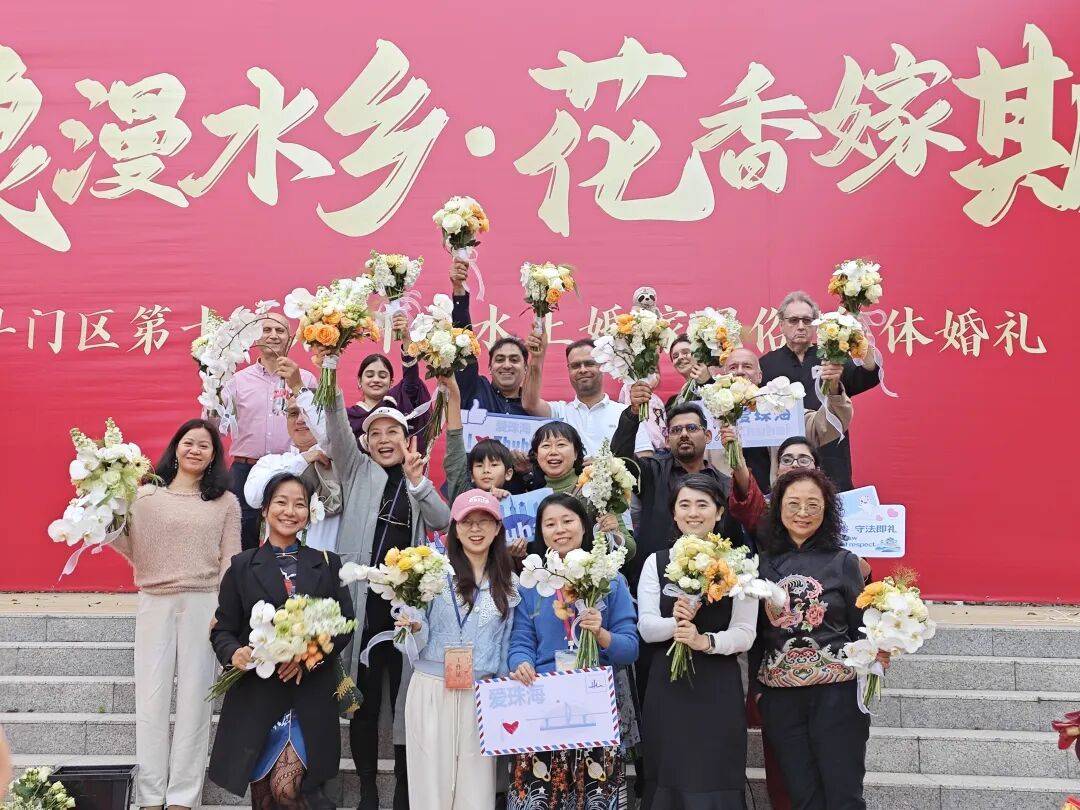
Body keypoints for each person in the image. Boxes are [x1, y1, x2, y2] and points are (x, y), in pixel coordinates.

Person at [292, 363, 450, 810]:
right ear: (365, 442)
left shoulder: (417, 479)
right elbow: (336, 425)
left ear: (406, 439)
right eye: (375, 433)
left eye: (392, 432)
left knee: (404, 702)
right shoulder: (356, 469)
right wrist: (329, 366)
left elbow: (442, 520)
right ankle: (366, 791)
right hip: (361, 605)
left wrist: (419, 483)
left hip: (404, 610)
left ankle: (403, 788)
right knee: (361, 700)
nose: (383, 439)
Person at [109, 419, 239, 810]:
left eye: (204, 445)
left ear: (214, 456)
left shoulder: (225, 503)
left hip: (204, 604)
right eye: (188, 443)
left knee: (196, 702)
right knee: (151, 699)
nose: (195, 450)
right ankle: (150, 796)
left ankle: (183, 797)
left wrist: (225, 611)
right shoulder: (144, 495)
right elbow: (127, 545)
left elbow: (231, 560)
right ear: (176, 448)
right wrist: (104, 511)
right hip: (154, 600)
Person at [208, 473, 354, 810]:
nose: (290, 511)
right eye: (281, 502)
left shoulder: (327, 563)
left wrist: (307, 655)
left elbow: (344, 624)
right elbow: (223, 629)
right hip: (258, 698)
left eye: (299, 504)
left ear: (309, 513)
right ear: (264, 509)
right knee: (264, 799)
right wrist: (235, 652)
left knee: (287, 790)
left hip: (309, 696)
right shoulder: (242, 566)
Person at [752, 468, 887, 810]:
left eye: (813, 504)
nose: (803, 512)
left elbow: (862, 627)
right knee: (802, 796)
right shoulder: (760, 566)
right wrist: (758, 693)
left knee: (844, 794)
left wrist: (879, 654)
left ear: (827, 510)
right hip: (781, 699)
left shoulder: (845, 562)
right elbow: (755, 636)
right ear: (778, 508)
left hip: (837, 695)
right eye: (793, 503)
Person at [507, 493, 639, 810]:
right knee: (539, 796)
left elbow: (630, 649)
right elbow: (521, 640)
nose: (560, 530)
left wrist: (601, 634)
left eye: (568, 521)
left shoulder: (609, 580)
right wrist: (521, 662)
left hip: (595, 710)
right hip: (542, 706)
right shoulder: (530, 584)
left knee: (595, 797)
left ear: (584, 526)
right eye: (550, 524)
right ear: (540, 531)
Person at [637, 474, 757, 810]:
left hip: (717, 683)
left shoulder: (740, 566)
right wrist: (677, 623)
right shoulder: (656, 562)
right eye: (685, 505)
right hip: (668, 684)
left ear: (719, 512)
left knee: (713, 770)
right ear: (674, 513)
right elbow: (646, 627)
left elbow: (745, 632)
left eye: (702, 505)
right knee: (670, 770)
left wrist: (705, 641)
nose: (693, 513)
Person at [394, 489, 519, 810]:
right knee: (430, 790)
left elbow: (506, 644)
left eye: (484, 521)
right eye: (467, 522)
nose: (475, 529)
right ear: (454, 529)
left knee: (476, 793)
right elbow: (410, 630)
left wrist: (503, 695)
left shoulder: (509, 583)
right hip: (431, 689)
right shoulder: (431, 573)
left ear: (497, 528)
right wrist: (414, 626)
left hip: (481, 694)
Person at [612, 399, 741, 590]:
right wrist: (632, 414)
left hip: (710, 587)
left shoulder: (724, 485)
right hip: (654, 582)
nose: (684, 434)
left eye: (691, 428)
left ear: (707, 436)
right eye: (676, 430)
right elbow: (621, 461)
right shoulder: (652, 472)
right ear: (667, 440)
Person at [216, 311, 317, 550]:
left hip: (291, 466)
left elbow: (318, 423)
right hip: (245, 467)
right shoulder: (236, 380)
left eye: (280, 330)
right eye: (267, 330)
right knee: (241, 539)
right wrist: (212, 392)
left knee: (291, 532)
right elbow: (217, 426)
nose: (273, 335)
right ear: (255, 336)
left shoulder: (306, 379)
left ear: (290, 338)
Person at [759, 291, 879, 491]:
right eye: (793, 320)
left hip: (831, 453)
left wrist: (863, 344)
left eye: (807, 320)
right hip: (785, 458)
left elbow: (868, 375)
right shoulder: (766, 364)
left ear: (815, 325)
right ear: (781, 325)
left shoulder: (832, 357)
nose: (800, 326)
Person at [721, 345, 853, 493]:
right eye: (733, 367)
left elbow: (827, 425)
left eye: (747, 366)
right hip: (727, 500)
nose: (740, 371)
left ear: (759, 376)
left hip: (779, 499)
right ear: (723, 375)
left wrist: (833, 388)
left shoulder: (783, 409)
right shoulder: (711, 415)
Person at [522, 333, 653, 458]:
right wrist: (536, 358)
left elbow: (644, 457)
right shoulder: (560, 412)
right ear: (569, 370)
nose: (583, 370)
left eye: (589, 363)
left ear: (602, 366)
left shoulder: (626, 414)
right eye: (575, 366)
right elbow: (530, 404)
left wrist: (604, 465)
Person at [526, 420, 636, 561]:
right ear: (536, 455)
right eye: (546, 446)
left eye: (561, 445)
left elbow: (629, 550)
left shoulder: (598, 488)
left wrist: (613, 533)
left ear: (576, 453)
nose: (553, 452)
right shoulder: (530, 497)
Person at [244, 395, 341, 552]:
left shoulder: (339, 461)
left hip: (326, 562)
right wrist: (303, 460)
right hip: (276, 563)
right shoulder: (270, 462)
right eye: (294, 413)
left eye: (307, 412)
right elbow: (253, 498)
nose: (300, 420)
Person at [449, 258, 530, 416]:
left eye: (514, 360)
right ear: (490, 367)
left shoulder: (533, 407)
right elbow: (464, 343)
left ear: (526, 368)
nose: (507, 365)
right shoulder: (474, 389)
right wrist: (459, 290)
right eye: (499, 359)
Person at [346, 313, 431, 453]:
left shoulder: (398, 403)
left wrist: (406, 338)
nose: (376, 380)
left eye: (382, 376)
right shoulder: (348, 416)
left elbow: (411, 380)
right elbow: (341, 451)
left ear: (391, 382)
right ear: (359, 381)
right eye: (370, 375)